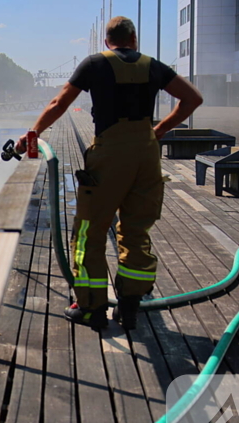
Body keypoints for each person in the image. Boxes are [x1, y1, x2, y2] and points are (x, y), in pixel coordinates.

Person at [17, 16, 203, 331]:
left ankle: (91, 308)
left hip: (110, 153)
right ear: (134, 39)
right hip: (146, 154)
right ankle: (129, 308)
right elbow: (193, 99)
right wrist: (158, 131)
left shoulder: (94, 64)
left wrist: (31, 135)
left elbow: (59, 103)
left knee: (89, 232)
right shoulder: (153, 66)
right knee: (135, 231)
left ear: (107, 41)